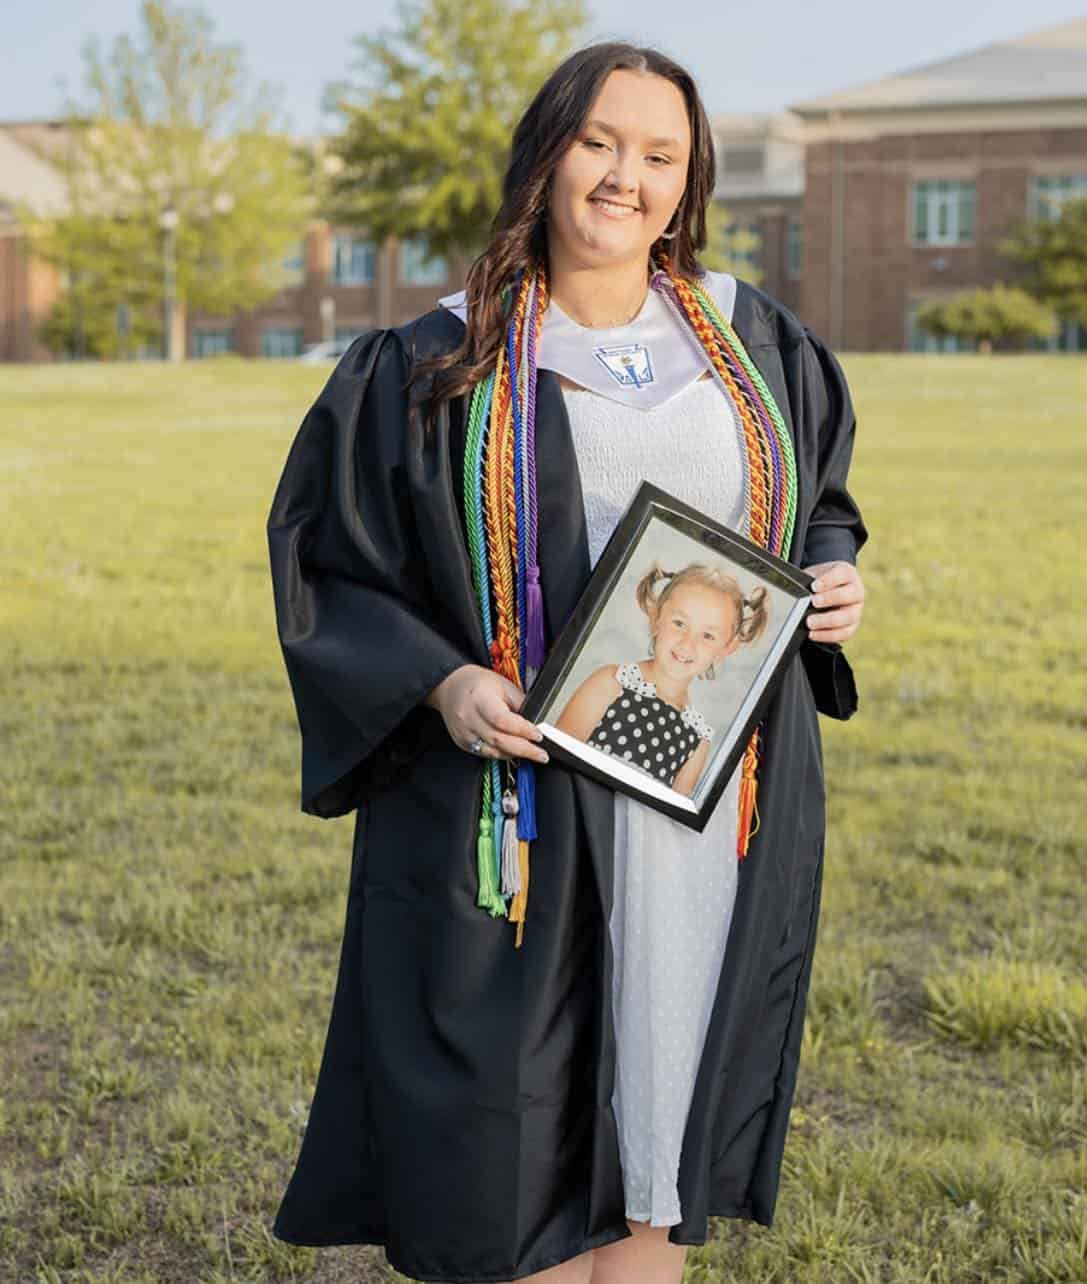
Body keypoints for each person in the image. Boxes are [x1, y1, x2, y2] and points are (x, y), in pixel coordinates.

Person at [266, 39, 867, 1284]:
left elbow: (815, 504)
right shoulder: (438, 361)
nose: (624, 178)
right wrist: (443, 682)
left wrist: (836, 572)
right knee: (518, 1152)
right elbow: (336, 563)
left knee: (660, 1134)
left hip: (708, 801)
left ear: (688, 180)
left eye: (660, 155)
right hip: (521, 802)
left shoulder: (752, 343)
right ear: (546, 154)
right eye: (600, 142)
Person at [555, 562, 769, 797]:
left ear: (724, 649)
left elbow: (670, 821)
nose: (688, 643)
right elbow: (556, 757)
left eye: (708, 636)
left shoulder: (697, 737)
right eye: (679, 624)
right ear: (656, 618)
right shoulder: (611, 683)